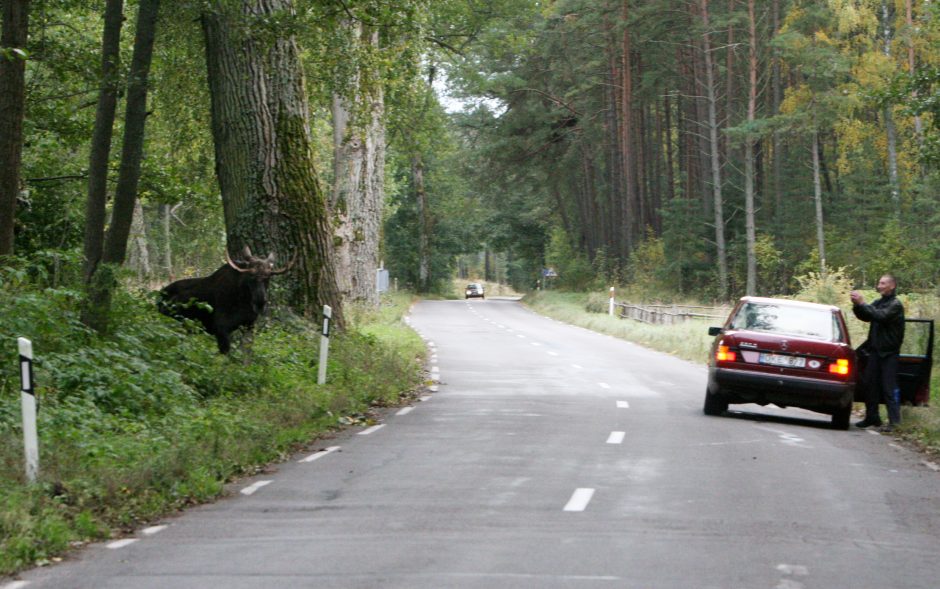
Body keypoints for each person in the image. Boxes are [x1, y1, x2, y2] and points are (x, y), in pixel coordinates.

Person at [850, 274, 905, 432]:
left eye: (883, 283)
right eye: (879, 283)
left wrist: (863, 303)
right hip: (874, 352)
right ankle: (872, 417)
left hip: (889, 353)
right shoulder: (879, 302)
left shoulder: (895, 305)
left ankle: (895, 422)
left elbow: (880, 316)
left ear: (892, 286)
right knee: (870, 385)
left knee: (889, 387)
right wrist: (857, 305)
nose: (879, 286)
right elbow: (866, 316)